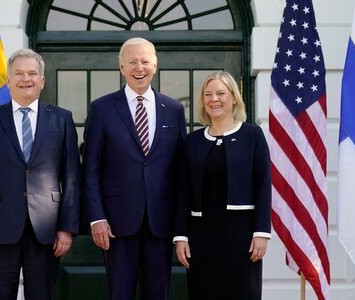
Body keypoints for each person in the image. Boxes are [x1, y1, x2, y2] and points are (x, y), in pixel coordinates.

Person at [0, 48, 81, 300]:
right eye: (18, 73)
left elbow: (72, 178)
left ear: (42, 80)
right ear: (8, 81)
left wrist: (67, 228)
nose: (25, 79)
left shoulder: (61, 119)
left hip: (47, 230)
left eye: (32, 73)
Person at [83, 37, 186, 300]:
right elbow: (91, 169)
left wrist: (180, 226)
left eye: (144, 61)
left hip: (160, 222)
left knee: (158, 294)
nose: (139, 68)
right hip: (116, 224)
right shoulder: (102, 108)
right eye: (132, 62)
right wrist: (97, 218)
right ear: (121, 68)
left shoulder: (173, 110)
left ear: (155, 65)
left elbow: (180, 172)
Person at [174, 71, 271, 300]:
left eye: (220, 93)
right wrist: (181, 237)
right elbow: (182, 191)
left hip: (242, 237)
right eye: (208, 94)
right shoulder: (193, 141)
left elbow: (263, 184)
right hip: (201, 238)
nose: (213, 99)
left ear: (234, 98)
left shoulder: (252, 135)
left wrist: (261, 233)